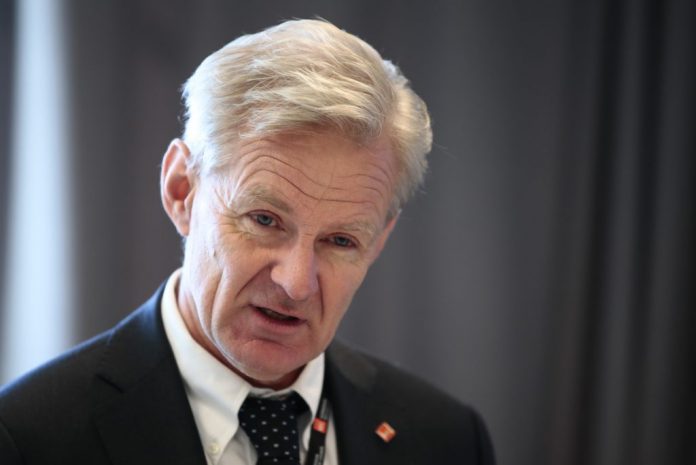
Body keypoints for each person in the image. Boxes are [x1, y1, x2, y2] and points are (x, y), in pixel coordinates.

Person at [0, 19, 495, 465]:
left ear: (380, 240)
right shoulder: (27, 438)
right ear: (182, 191)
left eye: (341, 240)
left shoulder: (448, 440)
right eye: (264, 219)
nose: (296, 284)